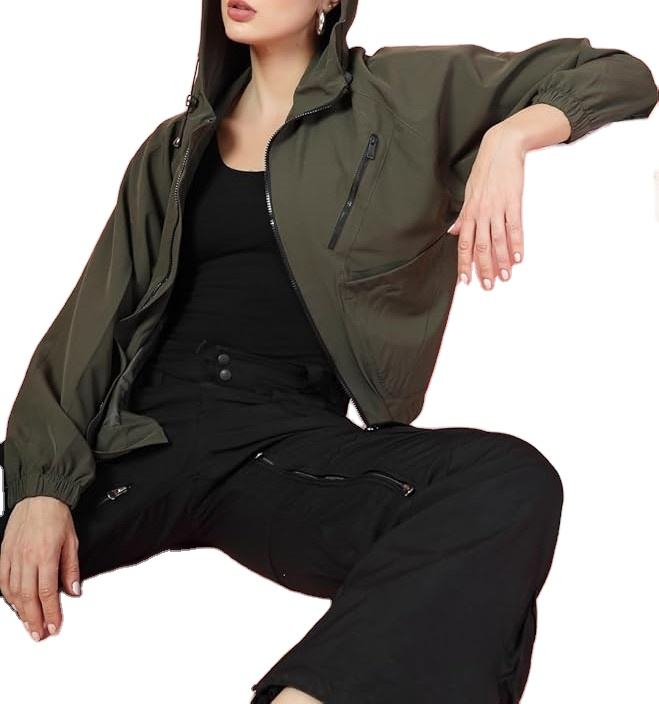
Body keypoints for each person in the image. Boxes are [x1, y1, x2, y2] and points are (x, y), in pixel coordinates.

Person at [1, 1, 657, 702]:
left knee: (505, 487)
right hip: (145, 436)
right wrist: (40, 487)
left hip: (284, 445)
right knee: (474, 599)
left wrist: (508, 137)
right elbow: (90, 326)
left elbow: (620, 75)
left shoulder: (401, 97)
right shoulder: (172, 150)